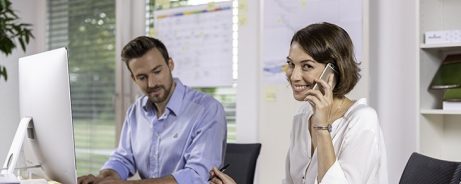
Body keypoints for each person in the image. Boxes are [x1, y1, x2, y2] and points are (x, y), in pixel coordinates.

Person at [210, 22, 388, 184]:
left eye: (307, 66)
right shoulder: (303, 115)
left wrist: (322, 128)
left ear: (333, 72)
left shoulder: (362, 120)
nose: (294, 76)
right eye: (291, 64)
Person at [78, 36, 227, 184]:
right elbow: (123, 159)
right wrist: (102, 179)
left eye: (157, 71)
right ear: (133, 78)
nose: (152, 83)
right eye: (142, 77)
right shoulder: (135, 111)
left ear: (170, 64)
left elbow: (197, 176)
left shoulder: (207, 110)